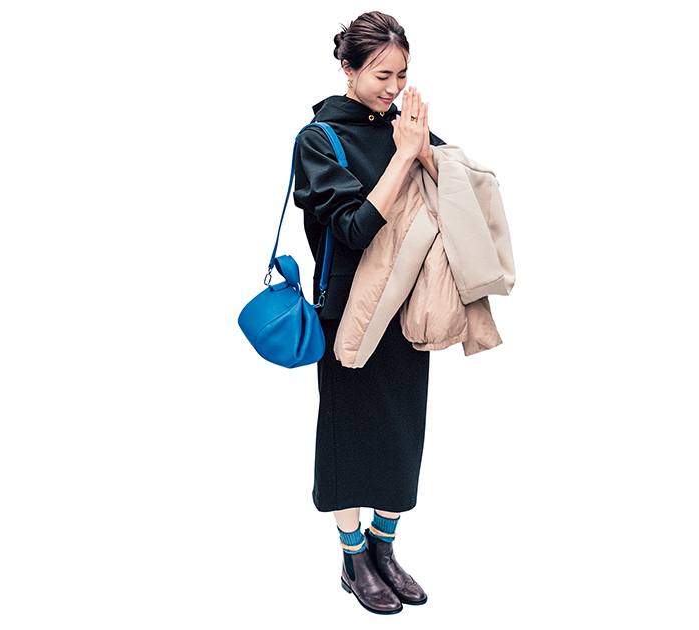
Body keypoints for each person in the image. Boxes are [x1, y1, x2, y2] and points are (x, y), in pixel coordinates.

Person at [292, 11, 446, 615]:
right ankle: (354, 558)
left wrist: (424, 150)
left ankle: (385, 548)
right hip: (347, 311)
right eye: (382, 75)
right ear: (348, 69)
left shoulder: (404, 129)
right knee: (349, 435)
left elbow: (454, 198)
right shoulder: (318, 141)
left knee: (403, 433)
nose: (393, 87)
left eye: (402, 75)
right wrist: (405, 157)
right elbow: (354, 229)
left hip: (408, 305)